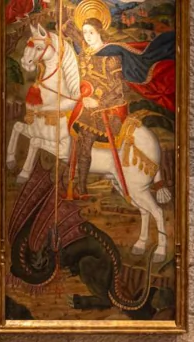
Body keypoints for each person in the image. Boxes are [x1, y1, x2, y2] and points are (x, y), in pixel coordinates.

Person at [67, 0, 128, 198]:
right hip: (88, 105)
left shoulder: (111, 55)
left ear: (100, 31)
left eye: (91, 32)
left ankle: (81, 188)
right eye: (85, 33)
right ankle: (72, 182)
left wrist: (98, 102)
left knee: (85, 134)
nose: (87, 37)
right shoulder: (85, 54)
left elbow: (119, 89)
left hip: (110, 108)